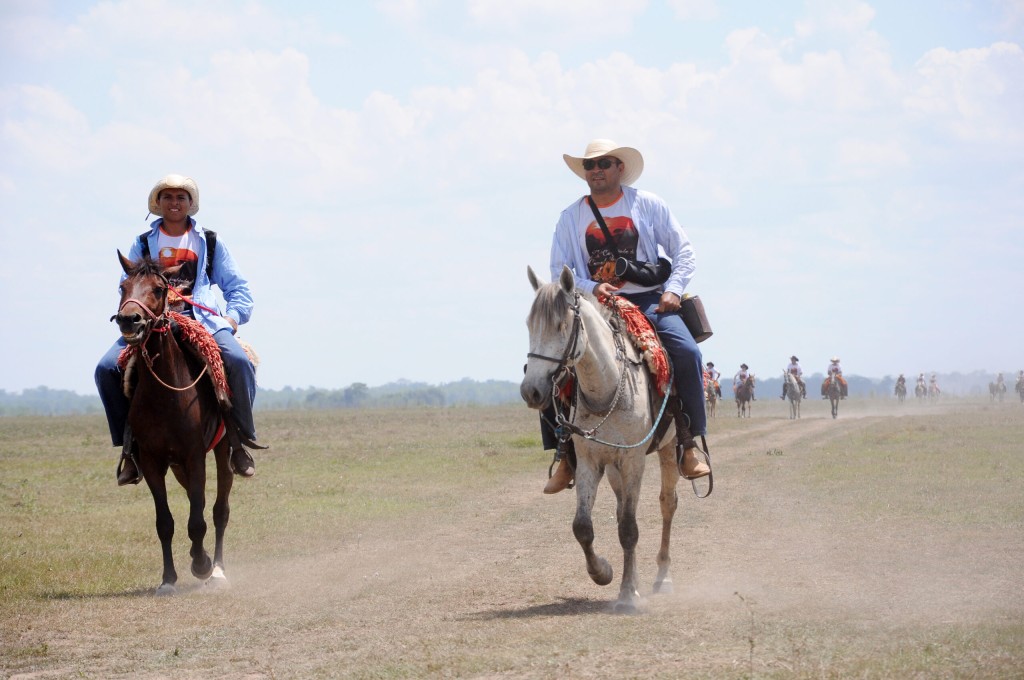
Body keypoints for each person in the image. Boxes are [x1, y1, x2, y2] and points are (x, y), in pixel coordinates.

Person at [540, 138, 710, 494]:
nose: (596, 170)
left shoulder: (647, 204)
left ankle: (688, 442)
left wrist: (673, 290)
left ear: (620, 168)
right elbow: (559, 271)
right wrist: (591, 287)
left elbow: (684, 251)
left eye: (604, 163)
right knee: (547, 362)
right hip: (593, 306)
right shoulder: (570, 217)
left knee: (687, 353)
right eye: (590, 165)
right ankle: (564, 453)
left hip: (648, 302)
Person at [95, 174, 260, 485]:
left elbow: (239, 288)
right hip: (151, 323)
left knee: (238, 361)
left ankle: (240, 441)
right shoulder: (143, 243)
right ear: (158, 204)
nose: (174, 202)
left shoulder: (209, 241)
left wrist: (231, 320)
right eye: (167, 197)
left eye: (180, 197)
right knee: (105, 369)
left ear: (190, 203)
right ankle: (130, 450)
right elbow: (128, 286)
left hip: (201, 321)